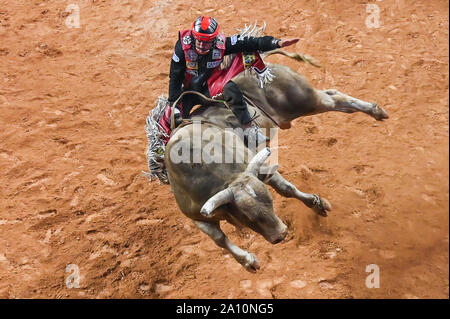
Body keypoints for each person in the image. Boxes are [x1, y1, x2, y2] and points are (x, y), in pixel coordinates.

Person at [167, 16, 299, 143]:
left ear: (213, 41)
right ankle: (160, 157)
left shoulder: (222, 44)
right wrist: (174, 105)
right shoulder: (182, 47)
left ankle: (249, 130)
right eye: (198, 40)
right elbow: (175, 76)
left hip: (209, 86)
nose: (201, 45)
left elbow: (249, 42)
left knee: (230, 87)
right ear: (193, 36)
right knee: (168, 119)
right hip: (186, 93)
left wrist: (276, 42)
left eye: (206, 42)